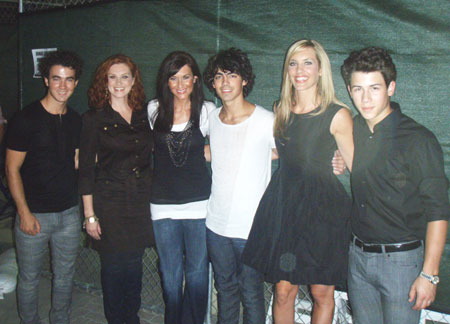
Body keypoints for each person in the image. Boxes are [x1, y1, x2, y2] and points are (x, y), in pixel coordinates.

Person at [242, 39, 354, 324]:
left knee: (321, 292)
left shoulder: (337, 114)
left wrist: (339, 159)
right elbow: (286, 151)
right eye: (293, 63)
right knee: (282, 291)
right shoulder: (280, 108)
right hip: (285, 207)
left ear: (320, 70)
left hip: (323, 211)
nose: (299, 70)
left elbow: (358, 167)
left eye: (308, 63)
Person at [341, 47, 449, 324]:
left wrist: (429, 274)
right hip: (357, 257)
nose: (365, 98)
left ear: (391, 87)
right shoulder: (353, 128)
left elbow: (438, 211)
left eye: (374, 88)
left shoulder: (418, 140)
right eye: (357, 89)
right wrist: (338, 159)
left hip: (402, 263)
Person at [5, 50, 83, 324]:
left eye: (69, 80)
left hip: (69, 215)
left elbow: (75, 162)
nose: (63, 86)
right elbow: (11, 169)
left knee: (65, 278)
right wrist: (23, 212)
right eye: (57, 79)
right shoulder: (25, 119)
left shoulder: (76, 120)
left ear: (76, 83)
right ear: (46, 81)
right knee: (28, 278)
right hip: (34, 215)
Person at [78, 54, 154, 324]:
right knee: (113, 267)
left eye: (125, 76)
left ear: (134, 81)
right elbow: (85, 169)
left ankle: (131, 317)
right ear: (104, 81)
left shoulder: (148, 114)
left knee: (133, 266)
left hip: (140, 202)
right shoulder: (93, 119)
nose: (119, 82)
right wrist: (89, 215)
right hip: (109, 202)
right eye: (113, 77)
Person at [203, 47, 275, 324]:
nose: (225, 82)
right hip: (216, 225)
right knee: (225, 290)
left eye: (232, 75)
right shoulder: (212, 118)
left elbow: (286, 151)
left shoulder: (266, 120)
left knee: (252, 293)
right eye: (219, 76)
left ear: (244, 80)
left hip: (251, 228)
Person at [147, 51, 215, 324]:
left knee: (198, 273)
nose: (180, 84)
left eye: (186, 77)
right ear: (166, 81)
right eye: (173, 78)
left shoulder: (207, 110)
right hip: (162, 205)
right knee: (171, 275)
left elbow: (220, 146)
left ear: (195, 79)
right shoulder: (154, 109)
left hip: (199, 204)